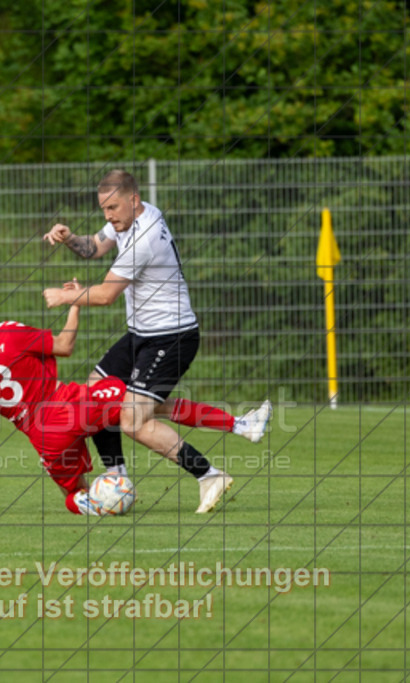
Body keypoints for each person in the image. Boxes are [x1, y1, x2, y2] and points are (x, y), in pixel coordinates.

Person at [0, 287, 260, 516]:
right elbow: (64, 345)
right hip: (69, 405)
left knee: (74, 495)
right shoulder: (9, 333)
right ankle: (224, 450)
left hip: (43, 437)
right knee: (143, 405)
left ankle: (107, 495)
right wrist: (75, 303)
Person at [42, 169, 271, 513]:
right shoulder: (134, 215)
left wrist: (64, 297)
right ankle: (117, 481)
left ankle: (209, 475)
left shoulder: (143, 237)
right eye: (103, 209)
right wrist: (70, 237)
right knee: (93, 401)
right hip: (141, 335)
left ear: (133, 201)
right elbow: (93, 248)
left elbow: (105, 295)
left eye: (113, 208)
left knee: (132, 420)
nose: (108, 216)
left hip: (172, 337)